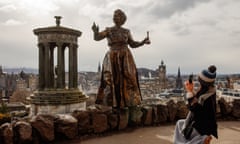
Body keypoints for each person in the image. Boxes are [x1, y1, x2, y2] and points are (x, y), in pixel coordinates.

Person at [92, 9, 150, 110]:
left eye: (117, 16)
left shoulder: (126, 31)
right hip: (112, 56)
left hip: (125, 57)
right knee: (111, 79)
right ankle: (114, 103)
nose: (115, 18)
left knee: (128, 77)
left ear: (122, 19)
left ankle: (128, 101)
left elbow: (132, 44)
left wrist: (142, 42)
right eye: (114, 16)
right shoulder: (109, 30)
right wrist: (95, 31)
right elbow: (97, 38)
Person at [173, 65, 218, 144]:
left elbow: (194, 109)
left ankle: (201, 139)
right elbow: (197, 102)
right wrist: (191, 90)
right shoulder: (209, 91)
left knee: (184, 129)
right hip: (202, 124)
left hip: (202, 127)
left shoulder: (207, 97)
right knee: (179, 123)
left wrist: (190, 92)